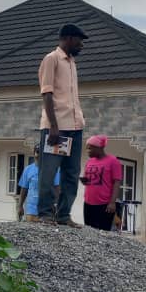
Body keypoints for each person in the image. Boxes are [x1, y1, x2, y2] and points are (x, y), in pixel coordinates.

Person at [37, 23, 87, 226]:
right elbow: (47, 93)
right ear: (67, 38)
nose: (81, 44)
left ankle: (64, 215)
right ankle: (46, 214)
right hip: (57, 127)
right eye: (79, 40)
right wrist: (53, 126)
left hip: (75, 126)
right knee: (48, 172)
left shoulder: (72, 63)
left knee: (72, 173)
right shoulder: (52, 59)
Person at [80, 134, 122, 231]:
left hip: (104, 205)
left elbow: (117, 182)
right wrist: (85, 181)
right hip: (88, 203)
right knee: (89, 231)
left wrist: (112, 203)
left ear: (99, 148)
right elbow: (89, 180)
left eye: (90, 148)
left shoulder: (113, 161)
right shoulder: (89, 162)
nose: (87, 151)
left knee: (103, 234)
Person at [17, 148, 59, 221]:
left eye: (42, 152)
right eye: (37, 152)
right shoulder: (28, 169)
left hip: (47, 211)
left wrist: (58, 206)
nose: (39, 154)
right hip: (31, 211)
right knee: (31, 231)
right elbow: (24, 190)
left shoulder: (53, 169)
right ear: (34, 154)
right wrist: (20, 206)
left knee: (47, 232)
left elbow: (57, 189)